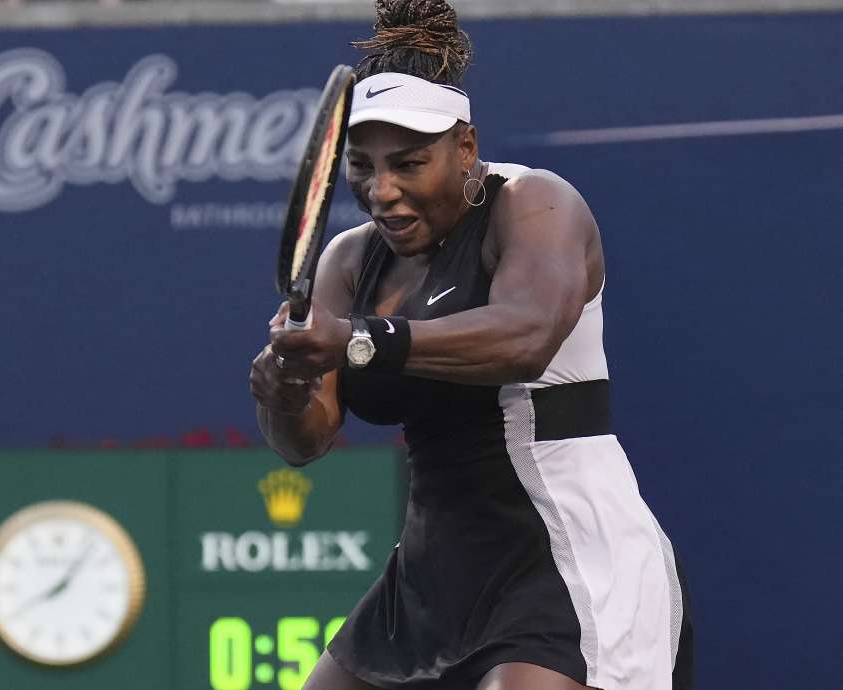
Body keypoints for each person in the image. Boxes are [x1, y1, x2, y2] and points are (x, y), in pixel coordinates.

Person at [249, 1, 693, 689]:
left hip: (562, 553)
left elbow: (527, 335)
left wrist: (359, 342)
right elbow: (305, 439)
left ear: (465, 146)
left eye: (409, 163)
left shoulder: (537, 204)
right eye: (362, 166)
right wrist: (283, 392)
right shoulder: (346, 260)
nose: (383, 190)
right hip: (432, 572)